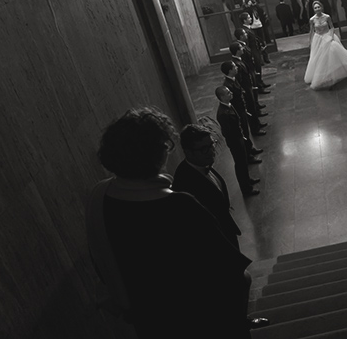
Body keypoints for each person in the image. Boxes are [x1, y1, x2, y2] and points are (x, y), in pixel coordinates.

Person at [86, 107, 256, 337]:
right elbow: (237, 277)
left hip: (149, 321)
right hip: (197, 320)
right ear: (160, 152)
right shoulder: (181, 206)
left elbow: (101, 261)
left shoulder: (98, 195)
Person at [304, 1, 347, 90]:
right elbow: (311, 31)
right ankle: (320, 74)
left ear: (321, 7)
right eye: (315, 8)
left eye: (318, 7)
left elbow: (332, 27)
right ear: (313, 10)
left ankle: (336, 71)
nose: (317, 9)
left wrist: (331, 36)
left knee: (333, 52)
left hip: (327, 36)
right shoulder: (312, 19)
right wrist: (310, 41)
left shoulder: (327, 17)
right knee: (318, 57)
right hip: (318, 38)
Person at [215, 86, 261, 196]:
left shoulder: (229, 105)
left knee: (244, 162)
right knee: (240, 165)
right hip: (235, 142)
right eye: (227, 92)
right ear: (222, 97)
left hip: (239, 138)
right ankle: (246, 189)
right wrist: (239, 139)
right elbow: (227, 132)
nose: (231, 93)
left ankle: (248, 179)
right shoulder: (223, 113)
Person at [221, 60, 264, 160]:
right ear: (230, 70)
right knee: (243, 132)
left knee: (246, 132)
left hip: (242, 110)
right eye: (234, 67)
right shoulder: (227, 85)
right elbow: (232, 102)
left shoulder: (233, 79)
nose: (236, 67)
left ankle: (250, 148)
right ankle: (248, 155)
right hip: (238, 112)